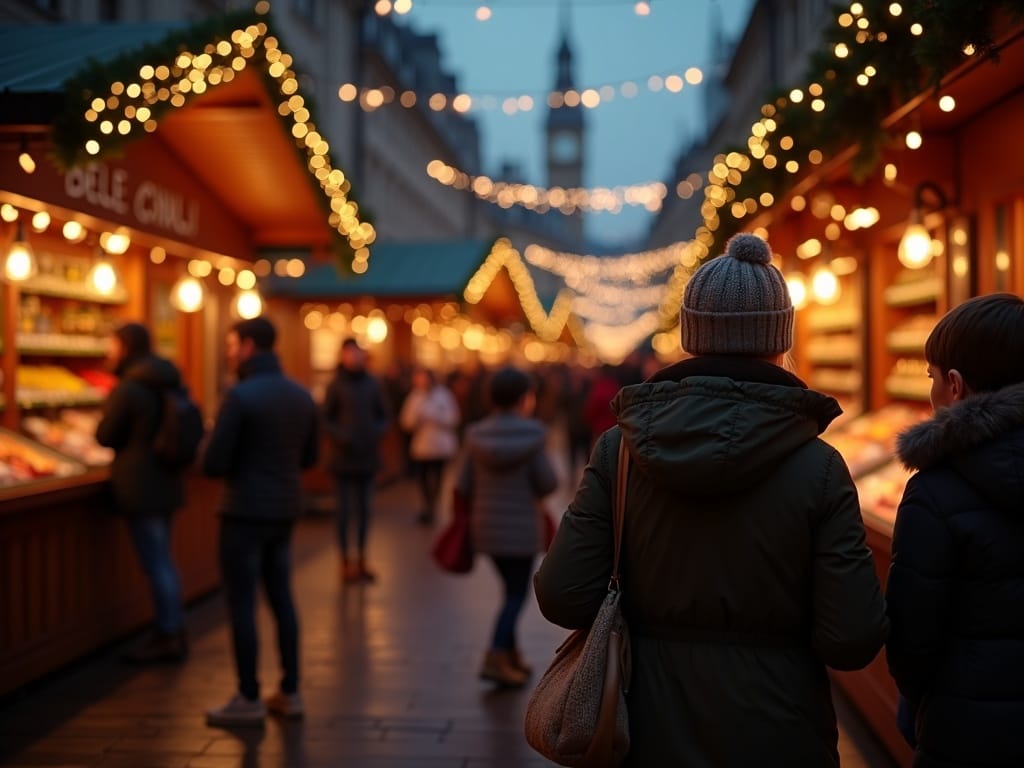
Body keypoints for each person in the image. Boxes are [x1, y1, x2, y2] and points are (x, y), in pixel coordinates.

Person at [534, 233, 888, 767]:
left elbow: (562, 594)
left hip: (644, 727)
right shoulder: (819, 466)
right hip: (779, 730)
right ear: (780, 338)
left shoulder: (621, 450)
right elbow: (852, 637)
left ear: (691, 335)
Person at [885, 293, 1024, 768]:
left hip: (966, 735)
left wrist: (921, 709)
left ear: (955, 385)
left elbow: (912, 641)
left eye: (931, 378)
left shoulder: (935, 493)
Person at [202, 317, 319, 727]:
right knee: (282, 598)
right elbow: (309, 458)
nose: (229, 351)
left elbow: (214, 462)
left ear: (249, 346)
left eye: (233, 344)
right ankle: (291, 691)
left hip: (243, 511)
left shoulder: (240, 397)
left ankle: (248, 695)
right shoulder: (301, 396)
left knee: (242, 603)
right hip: (284, 508)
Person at [457, 367, 558, 688]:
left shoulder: (476, 435)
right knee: (516, 595)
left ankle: (511, 657)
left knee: (509, 591)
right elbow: (548, 482)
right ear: (522, 398)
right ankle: (496, 655)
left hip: (485, 527)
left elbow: (463, 484)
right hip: (520, 530)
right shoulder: (533, 435)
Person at [96, 322, 189, 664]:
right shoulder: (171, 379)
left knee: (157, 561)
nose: (108, 351)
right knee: (164, 558)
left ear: (125, 346)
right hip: (167, 481)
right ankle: (173, 628)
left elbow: (105, 435)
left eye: (112, 344)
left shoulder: (130, 387)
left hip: (139, 485)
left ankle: (167, 632)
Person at [322, 338, 390, 584]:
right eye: (349, 353)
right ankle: (344, 560)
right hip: (342, 457)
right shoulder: (335, 385)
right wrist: (341, 436)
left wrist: (374, 432)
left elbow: (384, 415)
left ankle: (361, 558)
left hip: (367, 456)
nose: (353, 357)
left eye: (356, 353)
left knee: (365, 510)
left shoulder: (373, 384)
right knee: (343, 511)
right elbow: (326, 418)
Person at [399, 366, 460, 525]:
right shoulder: (415, 397)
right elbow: (405, 421)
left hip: (440, 445)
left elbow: (454, 418)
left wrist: (436, 418)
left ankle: (433, 504)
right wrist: (416, 420)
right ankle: (427, 505)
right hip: (422, 446)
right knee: (423, 478)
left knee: (438, 476)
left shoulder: (444, 395)